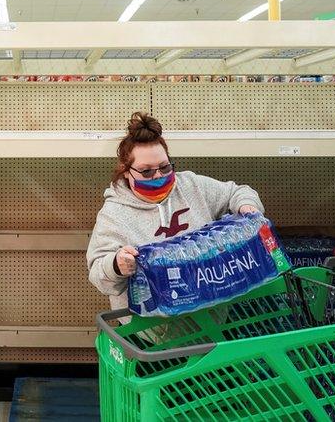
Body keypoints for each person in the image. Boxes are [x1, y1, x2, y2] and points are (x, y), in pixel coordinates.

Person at [87, 112, 264, 310]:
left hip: (210, 323)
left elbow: (237, 192)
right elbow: (98, 274)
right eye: (146, 171)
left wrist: (247, 206)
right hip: (149, 333)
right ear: (127, 171)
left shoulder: (192, 186)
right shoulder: (114, 214)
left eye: (164, 167)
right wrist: (116, 265)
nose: (158, 176)